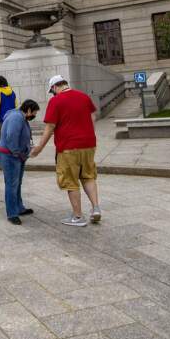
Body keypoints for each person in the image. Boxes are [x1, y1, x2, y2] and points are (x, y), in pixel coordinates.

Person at [30, 75, 102, 228]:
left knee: (71, 180)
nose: (53, 93)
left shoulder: (55, 101)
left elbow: (50, 127)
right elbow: (92, 116)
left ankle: (78, 216)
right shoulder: (83, 97)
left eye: (53, 91)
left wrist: (39, 148)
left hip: (68, 146)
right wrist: (89, 134)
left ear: (55, 87)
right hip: (89, 144)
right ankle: (96, 208)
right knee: (88, 176)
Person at [0, 100, 39, 224]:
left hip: (16, 156)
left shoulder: (20, 117)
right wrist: (18, 153)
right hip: (9, 156)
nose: (34, 116)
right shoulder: (17, 118)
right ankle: (12, 214)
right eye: (34, 113)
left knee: (17, 183)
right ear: (29, 110)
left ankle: (19, 208)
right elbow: (11, 137)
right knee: (11, 184)